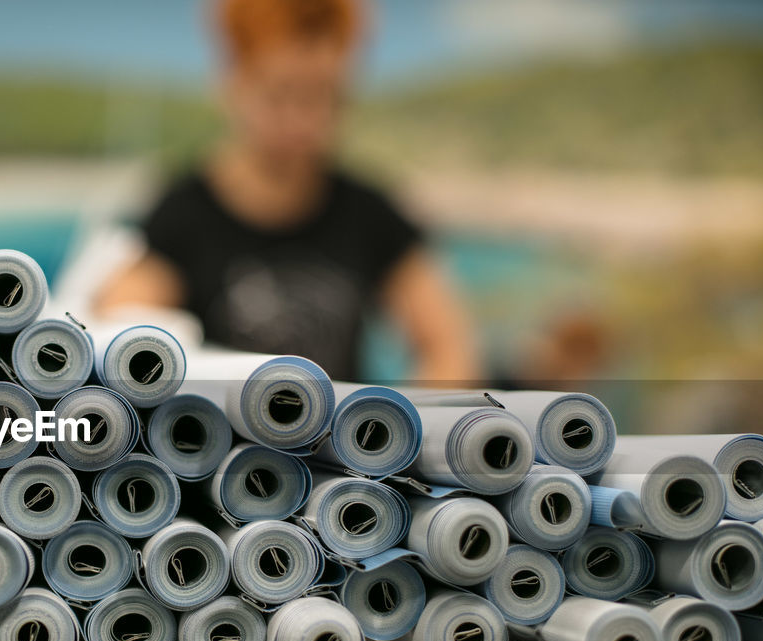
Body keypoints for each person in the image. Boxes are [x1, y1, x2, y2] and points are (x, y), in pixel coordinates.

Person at [93, 0, 479, 382]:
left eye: (321, 96)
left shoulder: (371, 213)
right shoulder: (184, 213)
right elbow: (121, 329)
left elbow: (448, 348)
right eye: (279, 94)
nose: (300, 121)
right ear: (232, 84)